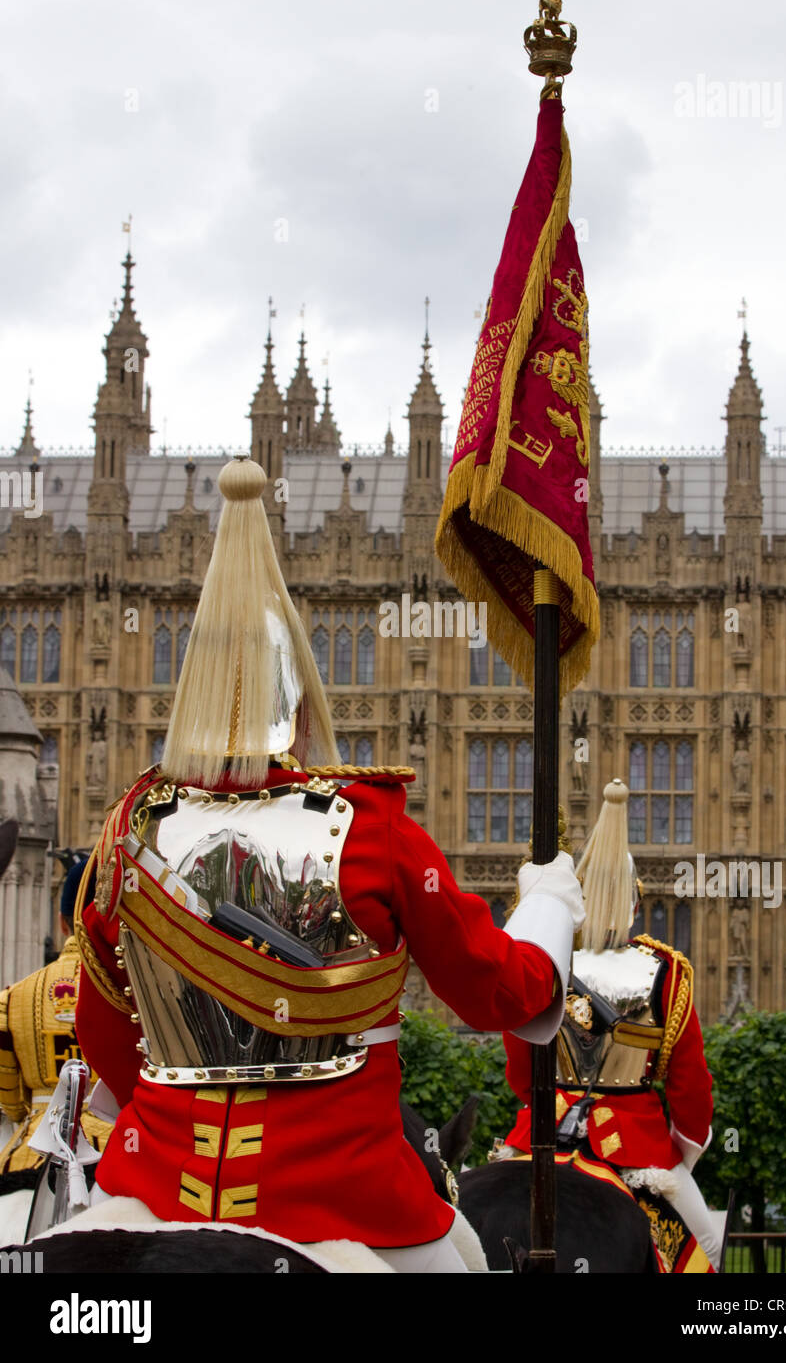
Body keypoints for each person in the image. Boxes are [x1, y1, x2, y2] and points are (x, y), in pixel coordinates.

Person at [72, 456, 585, 1272]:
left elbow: (104, 1035)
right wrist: (551, 906)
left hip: (151, 1185)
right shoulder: (373, 830)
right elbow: (501, 991)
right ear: (303, 706)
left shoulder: (126, 834)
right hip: (347, 1200)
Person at [502, 779, 723, 1270]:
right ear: (638, 903)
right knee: (707, 1251)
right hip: (638, 1147)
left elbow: (520, 1069)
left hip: (539, 1133)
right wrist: (680, 1155)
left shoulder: (544, 960)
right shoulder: (665, 974)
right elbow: (691, 1089)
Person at [0, 857, 113, 1177]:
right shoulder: (133, 993)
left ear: (62, 923)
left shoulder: (15, 997)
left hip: (32, 1150)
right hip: (112, 1147)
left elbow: (9, 1097)